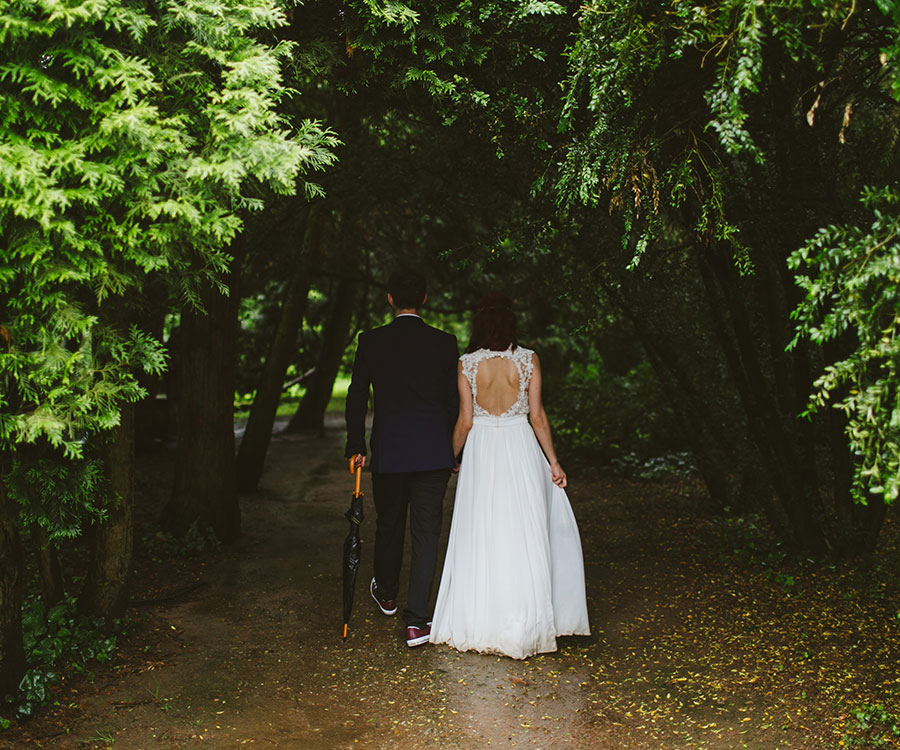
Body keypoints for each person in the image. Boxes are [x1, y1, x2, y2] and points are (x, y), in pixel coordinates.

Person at [430, 292, 590, 659]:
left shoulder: (466, 364)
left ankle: (481, 620)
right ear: (510, 322)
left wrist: (449, 458)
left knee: (482, 528)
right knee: (523, 528)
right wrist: (553, 461)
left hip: (482, 450)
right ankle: (526, 621)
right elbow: (538, 416)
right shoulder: (529, 360)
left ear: (480, 323)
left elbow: (465, 421)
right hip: (520, 446)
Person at [344, 268, 459, 647]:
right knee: (426, 533)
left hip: (391, 451)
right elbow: (453, 402)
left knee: (389, 523)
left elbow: (357, 396)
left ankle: (388, 593)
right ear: (424, 299)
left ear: (390, 299)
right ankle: (417, 621)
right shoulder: (444, 343)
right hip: (434, 453)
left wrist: (356, 444)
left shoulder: (371, 341)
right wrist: (455, 450)